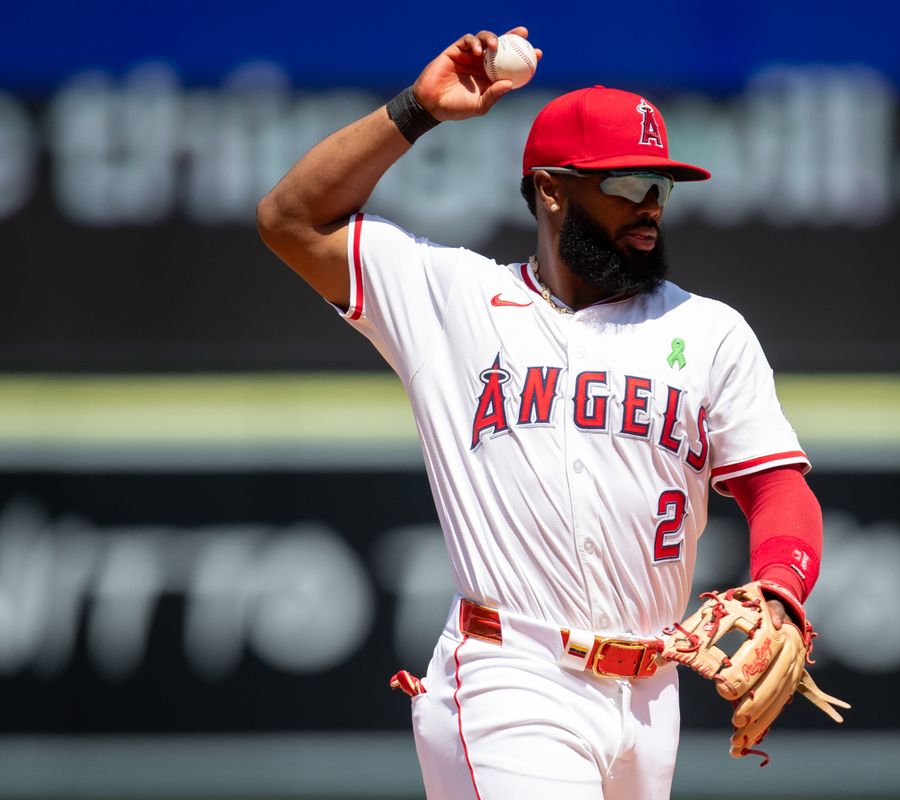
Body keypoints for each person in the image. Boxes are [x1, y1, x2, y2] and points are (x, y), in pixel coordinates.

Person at [257, 27, 826, 800]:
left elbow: (777, 487)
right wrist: (415, 111)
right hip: (511, 674)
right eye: (625, 184)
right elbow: (291, 219)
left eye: (660, 185)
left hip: (651, 696)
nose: (650, 206)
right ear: (553, 189)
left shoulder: (709, 330)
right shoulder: (452, 297)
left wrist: (782, 585)